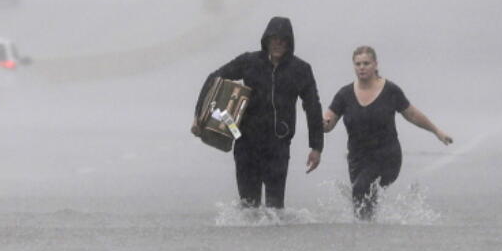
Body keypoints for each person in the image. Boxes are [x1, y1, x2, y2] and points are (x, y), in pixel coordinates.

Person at [193, 16, 323, 209]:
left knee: (275, 208)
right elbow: (215, 77)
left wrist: (316, 147)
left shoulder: (301, 69)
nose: (278, 43)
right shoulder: (250, 61)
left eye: (283, 39)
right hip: (246, 142)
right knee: (248, 206)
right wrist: (200, 117)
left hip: (278, 145)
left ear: (289, 42)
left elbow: (312, 106)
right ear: (266, 40)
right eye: (274, 39)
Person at [322, 45, 452, 219]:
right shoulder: (344, 94)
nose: (361, 67)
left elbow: (412, 114)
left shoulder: (390, 91)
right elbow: (328, 124)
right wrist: (321, 123)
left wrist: (437, 131)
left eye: (366, 63)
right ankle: (372, 234)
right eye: (358, 64)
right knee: (363, 197)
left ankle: (364, 233)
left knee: (361, 190)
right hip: (357, 159)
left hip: (387, 156)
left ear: (376, 64)